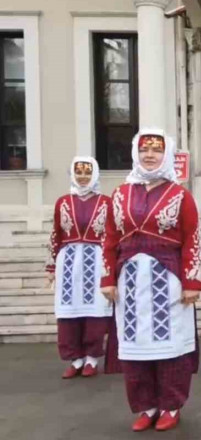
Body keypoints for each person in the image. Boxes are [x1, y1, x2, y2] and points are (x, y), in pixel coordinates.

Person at [101, 129, 201, 432]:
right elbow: (109, 238)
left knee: (170, 347)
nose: (149, 156)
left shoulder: (180, 196)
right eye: (144, 150)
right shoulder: (120, 194)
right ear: (135, 153)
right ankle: (145, 407)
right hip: (129, 283)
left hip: (168, 279)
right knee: (134, 348)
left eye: (156, 151)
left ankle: (170, 406)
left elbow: (192, 239)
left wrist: (192, 283)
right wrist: (107, 278)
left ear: (167, 155)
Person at [47, 156, 112, 379]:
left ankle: (92, 359)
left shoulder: (106, 202)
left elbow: (113, 235)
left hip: (97, 261)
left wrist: (113, 267)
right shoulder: (63, 202)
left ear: (94, 174)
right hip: (69, 263)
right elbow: (56, 234)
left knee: (95, 310)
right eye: (79, 173)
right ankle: (75, 359)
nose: (83, 178)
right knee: (69, 312)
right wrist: (50, 267)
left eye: (87, 173)